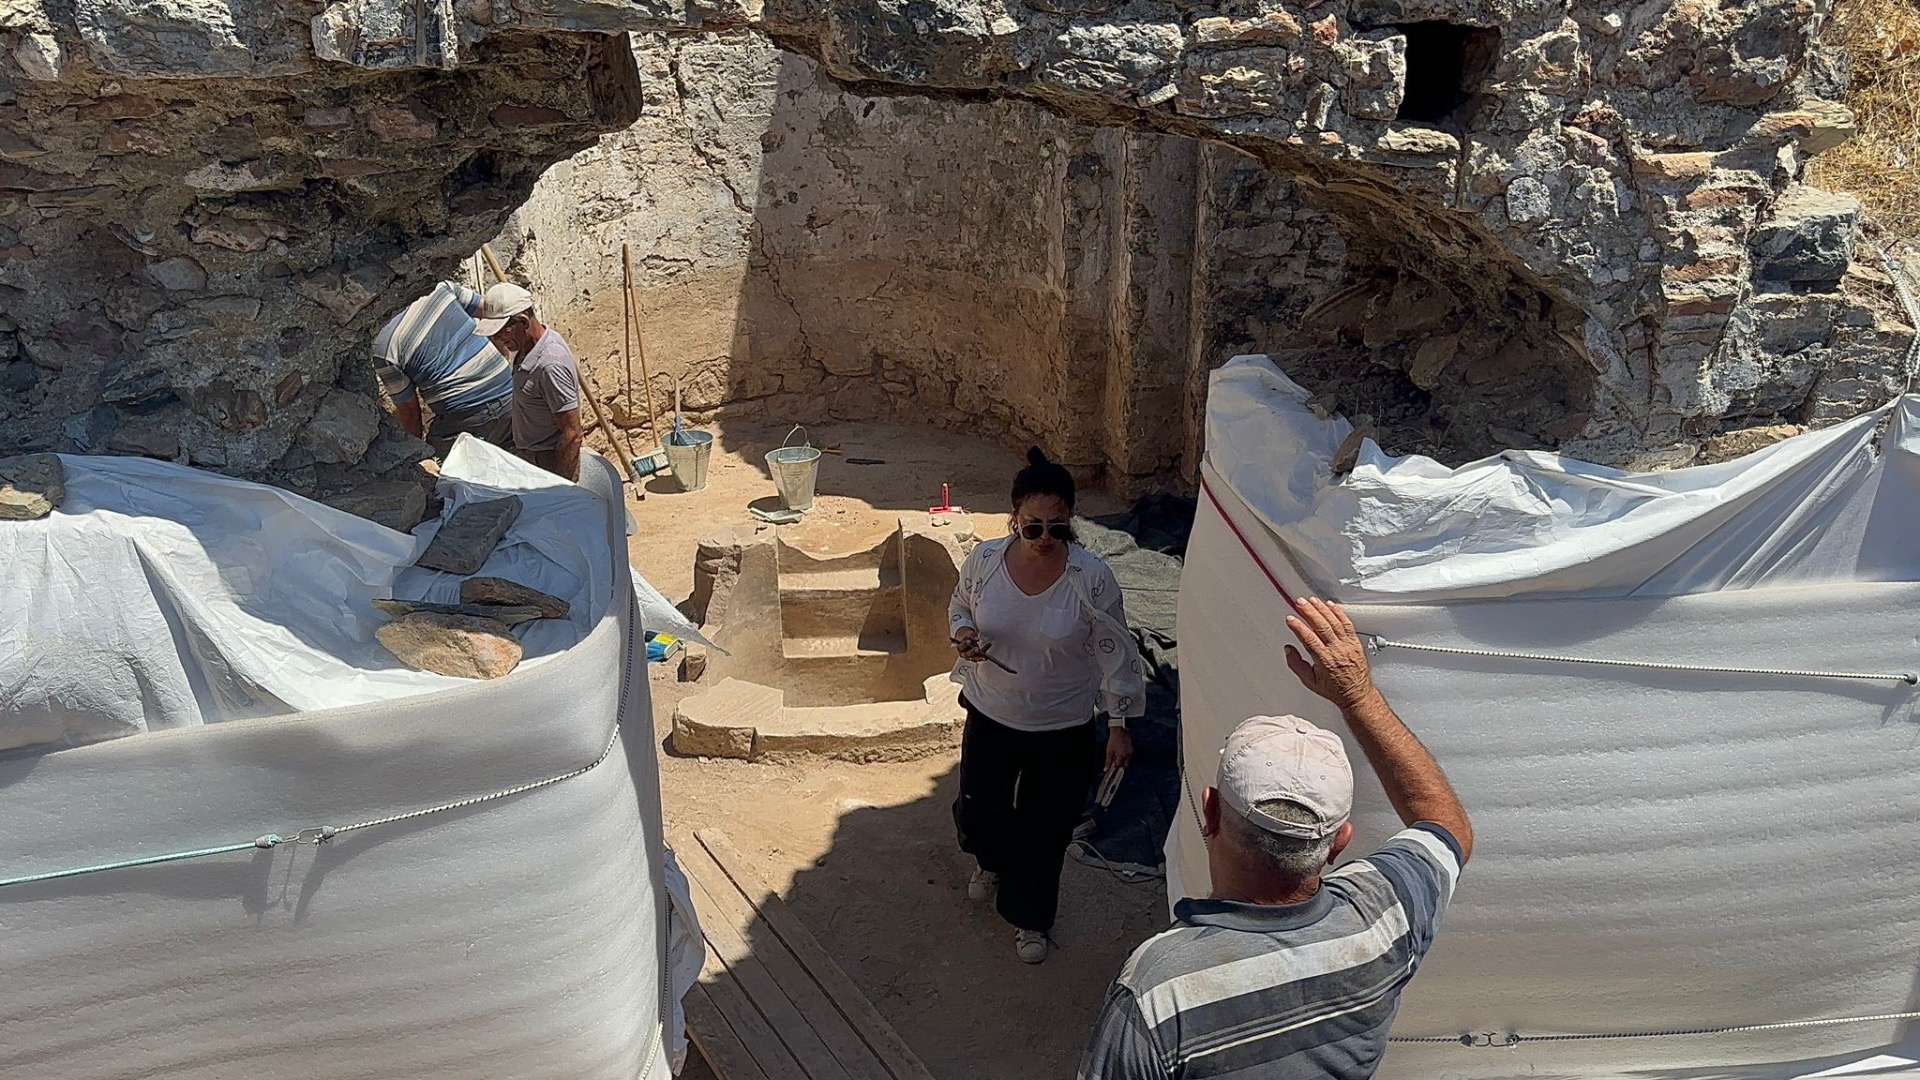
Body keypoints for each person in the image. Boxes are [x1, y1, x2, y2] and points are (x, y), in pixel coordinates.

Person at [1078, 597, 1474, 1080]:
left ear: (1209, 811)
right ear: (1339, 843)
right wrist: (1359, 695)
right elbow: (1446, 824)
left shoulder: (1160, 991)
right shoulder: (1385, 920)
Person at [949, 448, 1147, 965]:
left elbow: (1116, 653)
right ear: (1014, 519)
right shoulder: (985, 563)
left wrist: (1121, 725)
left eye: (1056, 529)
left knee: (1045, 830)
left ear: (1071, 525)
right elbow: (960, 605)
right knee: (979, 810)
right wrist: (964, 633)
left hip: (1062, 727)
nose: (1043, 540)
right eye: (1031, 527)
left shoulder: (1091, 579)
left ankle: (1030, 918)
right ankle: (989, 862)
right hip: (991, 714)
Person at [371, 281, 515, 458]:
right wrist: (502, 353)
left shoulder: (384, 349)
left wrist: (414, 457)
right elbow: (491, 313)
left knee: (437, 470)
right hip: (512, 397)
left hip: (467, 420)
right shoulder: (439, 288)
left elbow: (411, 415)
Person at [471, 282, 584, 482]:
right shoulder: (526, 349)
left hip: (549, 461)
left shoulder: (550, 364)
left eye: (501, 330)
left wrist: (561, 486)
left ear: (523, 322)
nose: (495, 337)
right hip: (532, 458)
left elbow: (573, 433)